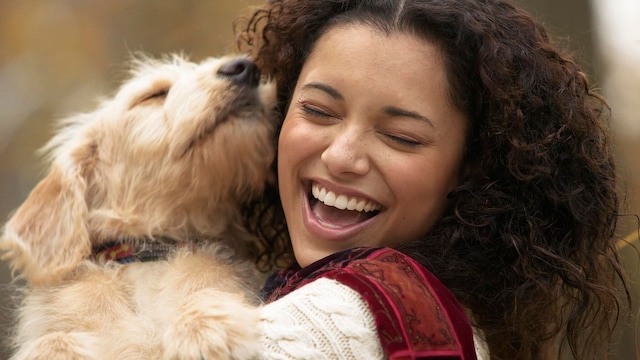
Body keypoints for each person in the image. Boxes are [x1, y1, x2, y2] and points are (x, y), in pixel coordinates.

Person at [234, 0, 631, 359]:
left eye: (400, 137)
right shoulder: (452, 317)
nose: (340, 157)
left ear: (473, 166)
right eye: (318, 111)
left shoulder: (320, 327)